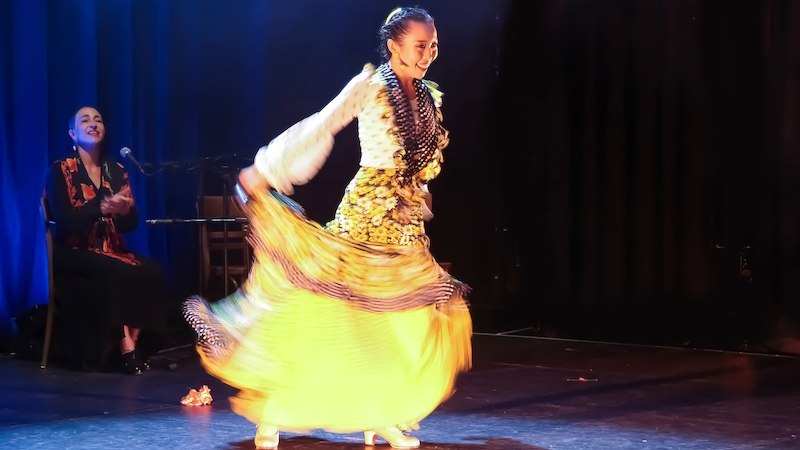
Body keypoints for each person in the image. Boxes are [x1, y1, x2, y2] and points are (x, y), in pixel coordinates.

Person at [182, 6, 472, 449]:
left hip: (405, 222)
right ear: (394, 45)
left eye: (434, 44)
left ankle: (382, 412)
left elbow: (421, 163)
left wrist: (419, 196)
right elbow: (321, 124)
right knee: (343, 319)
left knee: (408, 319)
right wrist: (265, 169)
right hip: (368, 215)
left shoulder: (429, 97)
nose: (429, 53)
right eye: (420, 44)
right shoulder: (371, 86)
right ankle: (278, 406)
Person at [44, 106, 168, 375]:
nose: (93, 123)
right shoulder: (60, 170)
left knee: (152, 271)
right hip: (72, 249)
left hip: (109, 249)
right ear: (72, 134)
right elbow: (65, 223)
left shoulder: (116, 170)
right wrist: (99, 208)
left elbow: (130, 224)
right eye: (85, 120)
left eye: (98, 119)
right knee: (116, 271)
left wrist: (124, 211)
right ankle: (124, 349)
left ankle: (133, 346)